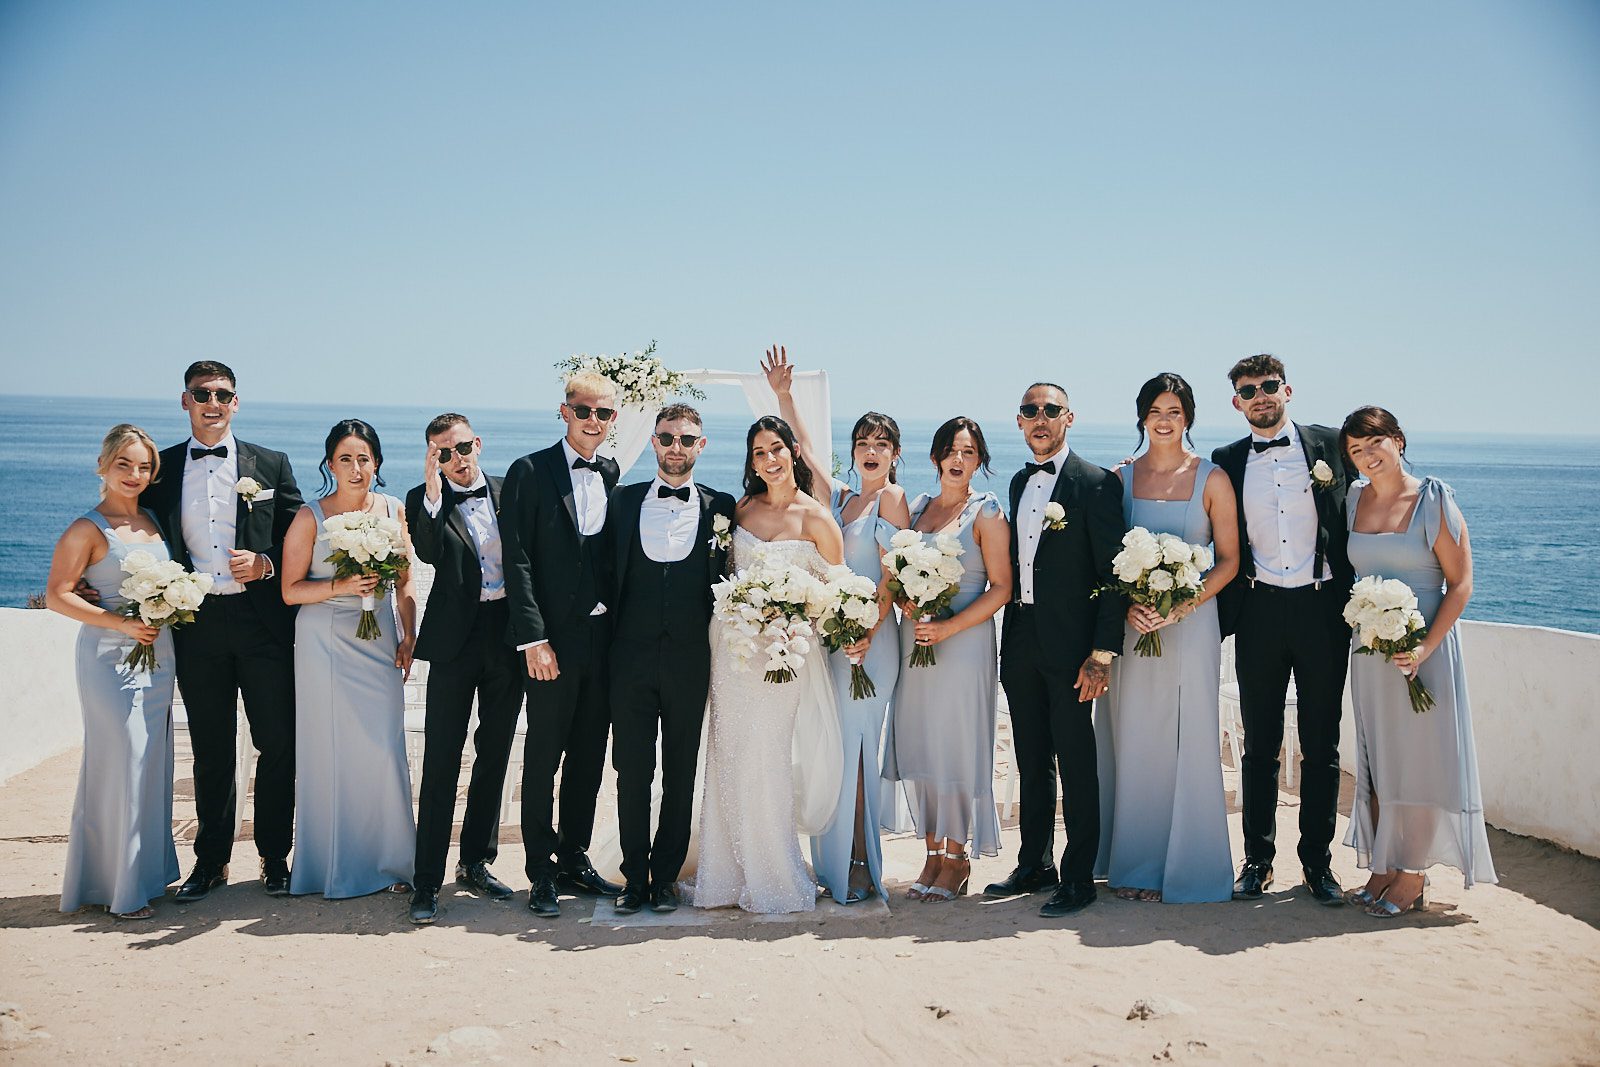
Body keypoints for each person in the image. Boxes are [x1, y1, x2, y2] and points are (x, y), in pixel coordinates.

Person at [138, 361, 303, 901]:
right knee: (210, 748)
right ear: (185, 400)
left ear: (236, 402)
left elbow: (300, 536)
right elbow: (131, 529)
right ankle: (210, 862)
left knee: (277, 744)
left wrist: (266, 564)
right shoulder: (160, 468)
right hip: (196, 624)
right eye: (202, 393)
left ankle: (275, 859)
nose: (213, 403)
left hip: (262, 626)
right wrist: (100, 584)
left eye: (222, 394)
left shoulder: (271, 464)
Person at [762, 346, 909, 905]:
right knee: (833, 749)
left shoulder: (892, 499)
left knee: (857, 749)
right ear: (853, 452)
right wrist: (784, 397)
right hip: (834, 642)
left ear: (895, 454)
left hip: (873, 644)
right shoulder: (842, 501)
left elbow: (892, 576)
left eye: (882, 444)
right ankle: (834, 862)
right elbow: (801, 450)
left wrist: (867, 630)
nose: (871, 451)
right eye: (863, 443)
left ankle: (859, 863)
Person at [1339, 406, 1496, 915]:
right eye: (1356, 450)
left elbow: (1461, 583)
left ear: (1398, 441)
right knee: (1378, 763)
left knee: (1419, 764)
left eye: (1375, 443)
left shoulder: (1433, 499)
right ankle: (1383, 865)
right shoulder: (1353, 499)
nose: (1368, 456)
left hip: (1423, 652)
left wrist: (1424, 648)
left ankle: (1412, 875)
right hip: (1369, 654)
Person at [1211, 354, 1354, 905]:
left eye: (1269, 386)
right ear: (1237, 402)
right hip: (1259, 613)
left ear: (1287, 390)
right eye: (1249, 391)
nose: (1261, 396)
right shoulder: (1226, 460)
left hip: (1323, 611)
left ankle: (1317, 863)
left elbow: (1374, 495)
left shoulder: (1332, 445)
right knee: (1259, 747)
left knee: (1322, 745)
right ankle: (1258, 861)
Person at [691, 415, 846, 915]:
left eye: (776, 448)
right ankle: (724, 874)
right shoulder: (741, 510)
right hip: (732, 653)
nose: (769, 459)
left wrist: (793, 615)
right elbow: (724, 577)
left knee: (767, 756)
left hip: (783, 658)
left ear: (793, 452)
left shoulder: (817, 518)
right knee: (727, 754)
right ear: (752, 462)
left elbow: (838, 596)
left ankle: (774, 873)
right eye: (759, 452)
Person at [1094, 374, 1239, 903]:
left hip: (1191, 626)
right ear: (1141, 417)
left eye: (1174, 411)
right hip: (1134, 628)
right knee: (1132, 736)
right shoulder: (1119, 478)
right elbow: (1106, 557)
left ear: (1188, 418)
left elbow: (1229, 560)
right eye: (1155, 410)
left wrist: (1182, 605)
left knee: (1187, 738)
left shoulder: (1213, 479)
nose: (1164, 420)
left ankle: (1185, 866)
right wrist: (1130, 604)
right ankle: (1132, 864)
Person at [990, 382, 1126, 917]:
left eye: (1050, 410)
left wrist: (1102, 653)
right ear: (1019, 421)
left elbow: (1114, 575)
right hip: (1021, 637)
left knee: (1075, 759)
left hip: (1074, 648)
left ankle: (1079, 877)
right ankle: (1035, 863)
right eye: (1030, 411)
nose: (1040, 418)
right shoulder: (1019, 481)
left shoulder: (1095, 484)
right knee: (1030, 756)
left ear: (1069, 417)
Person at [502, 371, 625, 918]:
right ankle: (540, 871)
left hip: (602, 640)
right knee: (543, 758)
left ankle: (574, 857)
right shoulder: (529, 471)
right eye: (583, 411)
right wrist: (534, 638)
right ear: (564, 411)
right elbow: (517, 559)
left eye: (603, 413)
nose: (592, 421)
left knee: (589, 758)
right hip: (550, 642)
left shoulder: (612, 471)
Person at [605, 404, 736, 916]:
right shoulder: (622, 501)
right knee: (632, 770)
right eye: (666, 438)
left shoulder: (722, 506)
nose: (675, 447)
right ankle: (633, 878)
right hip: (628, 658)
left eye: (685, 439)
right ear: (653, 442)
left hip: (690, 659)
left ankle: (664, 879)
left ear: (701, 445)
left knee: (681, 771)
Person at [48, 425, 183, 919]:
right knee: (122, 760)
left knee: (150, 764)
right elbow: (57, 595)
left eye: (144, 466)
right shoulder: (86, 528)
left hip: (158, 656)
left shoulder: (154, 519)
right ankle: (118, 890)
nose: (134, 474)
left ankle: (142, 877)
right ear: (103, 465)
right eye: (124, 463)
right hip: (109, 659)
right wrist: (120, 623)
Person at [281, 420, 418, 898]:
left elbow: (404, 580)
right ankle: (331, 867)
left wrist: (409, 635)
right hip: (324, 642)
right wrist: (341, 585)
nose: (356, 468)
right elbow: (290, 591)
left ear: (376, 463)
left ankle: (392, 862)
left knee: (383, 747)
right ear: (330, 465)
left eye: (364, 458)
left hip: (378, 639)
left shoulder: (394, 510)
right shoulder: (310, 517)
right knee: (330, 751)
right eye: (345, 459)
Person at [884, 417, 1012, 903]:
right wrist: (907, 604)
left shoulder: (987, 512)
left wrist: (949, 627)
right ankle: (932, 852)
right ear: (936, 456)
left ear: (979, 461)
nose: (959, 460)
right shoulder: (918, 507)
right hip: (916, 642)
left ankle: (957, 859)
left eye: (969, 452)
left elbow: (1001, 587)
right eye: (952, 451)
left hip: (963, 645)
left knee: (956, 746)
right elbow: (897, 574)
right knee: (923, 743)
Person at [403, 413, 524, 924]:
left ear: (478, 443)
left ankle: (476, 862)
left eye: (461, 448)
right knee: (442, 758)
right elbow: (429, 553)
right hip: (454, 642)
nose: (457, 460)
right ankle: (427, 879)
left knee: (494, 752)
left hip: (507, 635)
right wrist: (434, 491)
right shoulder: (422, 500)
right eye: (443, 454)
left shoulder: (510, 490)